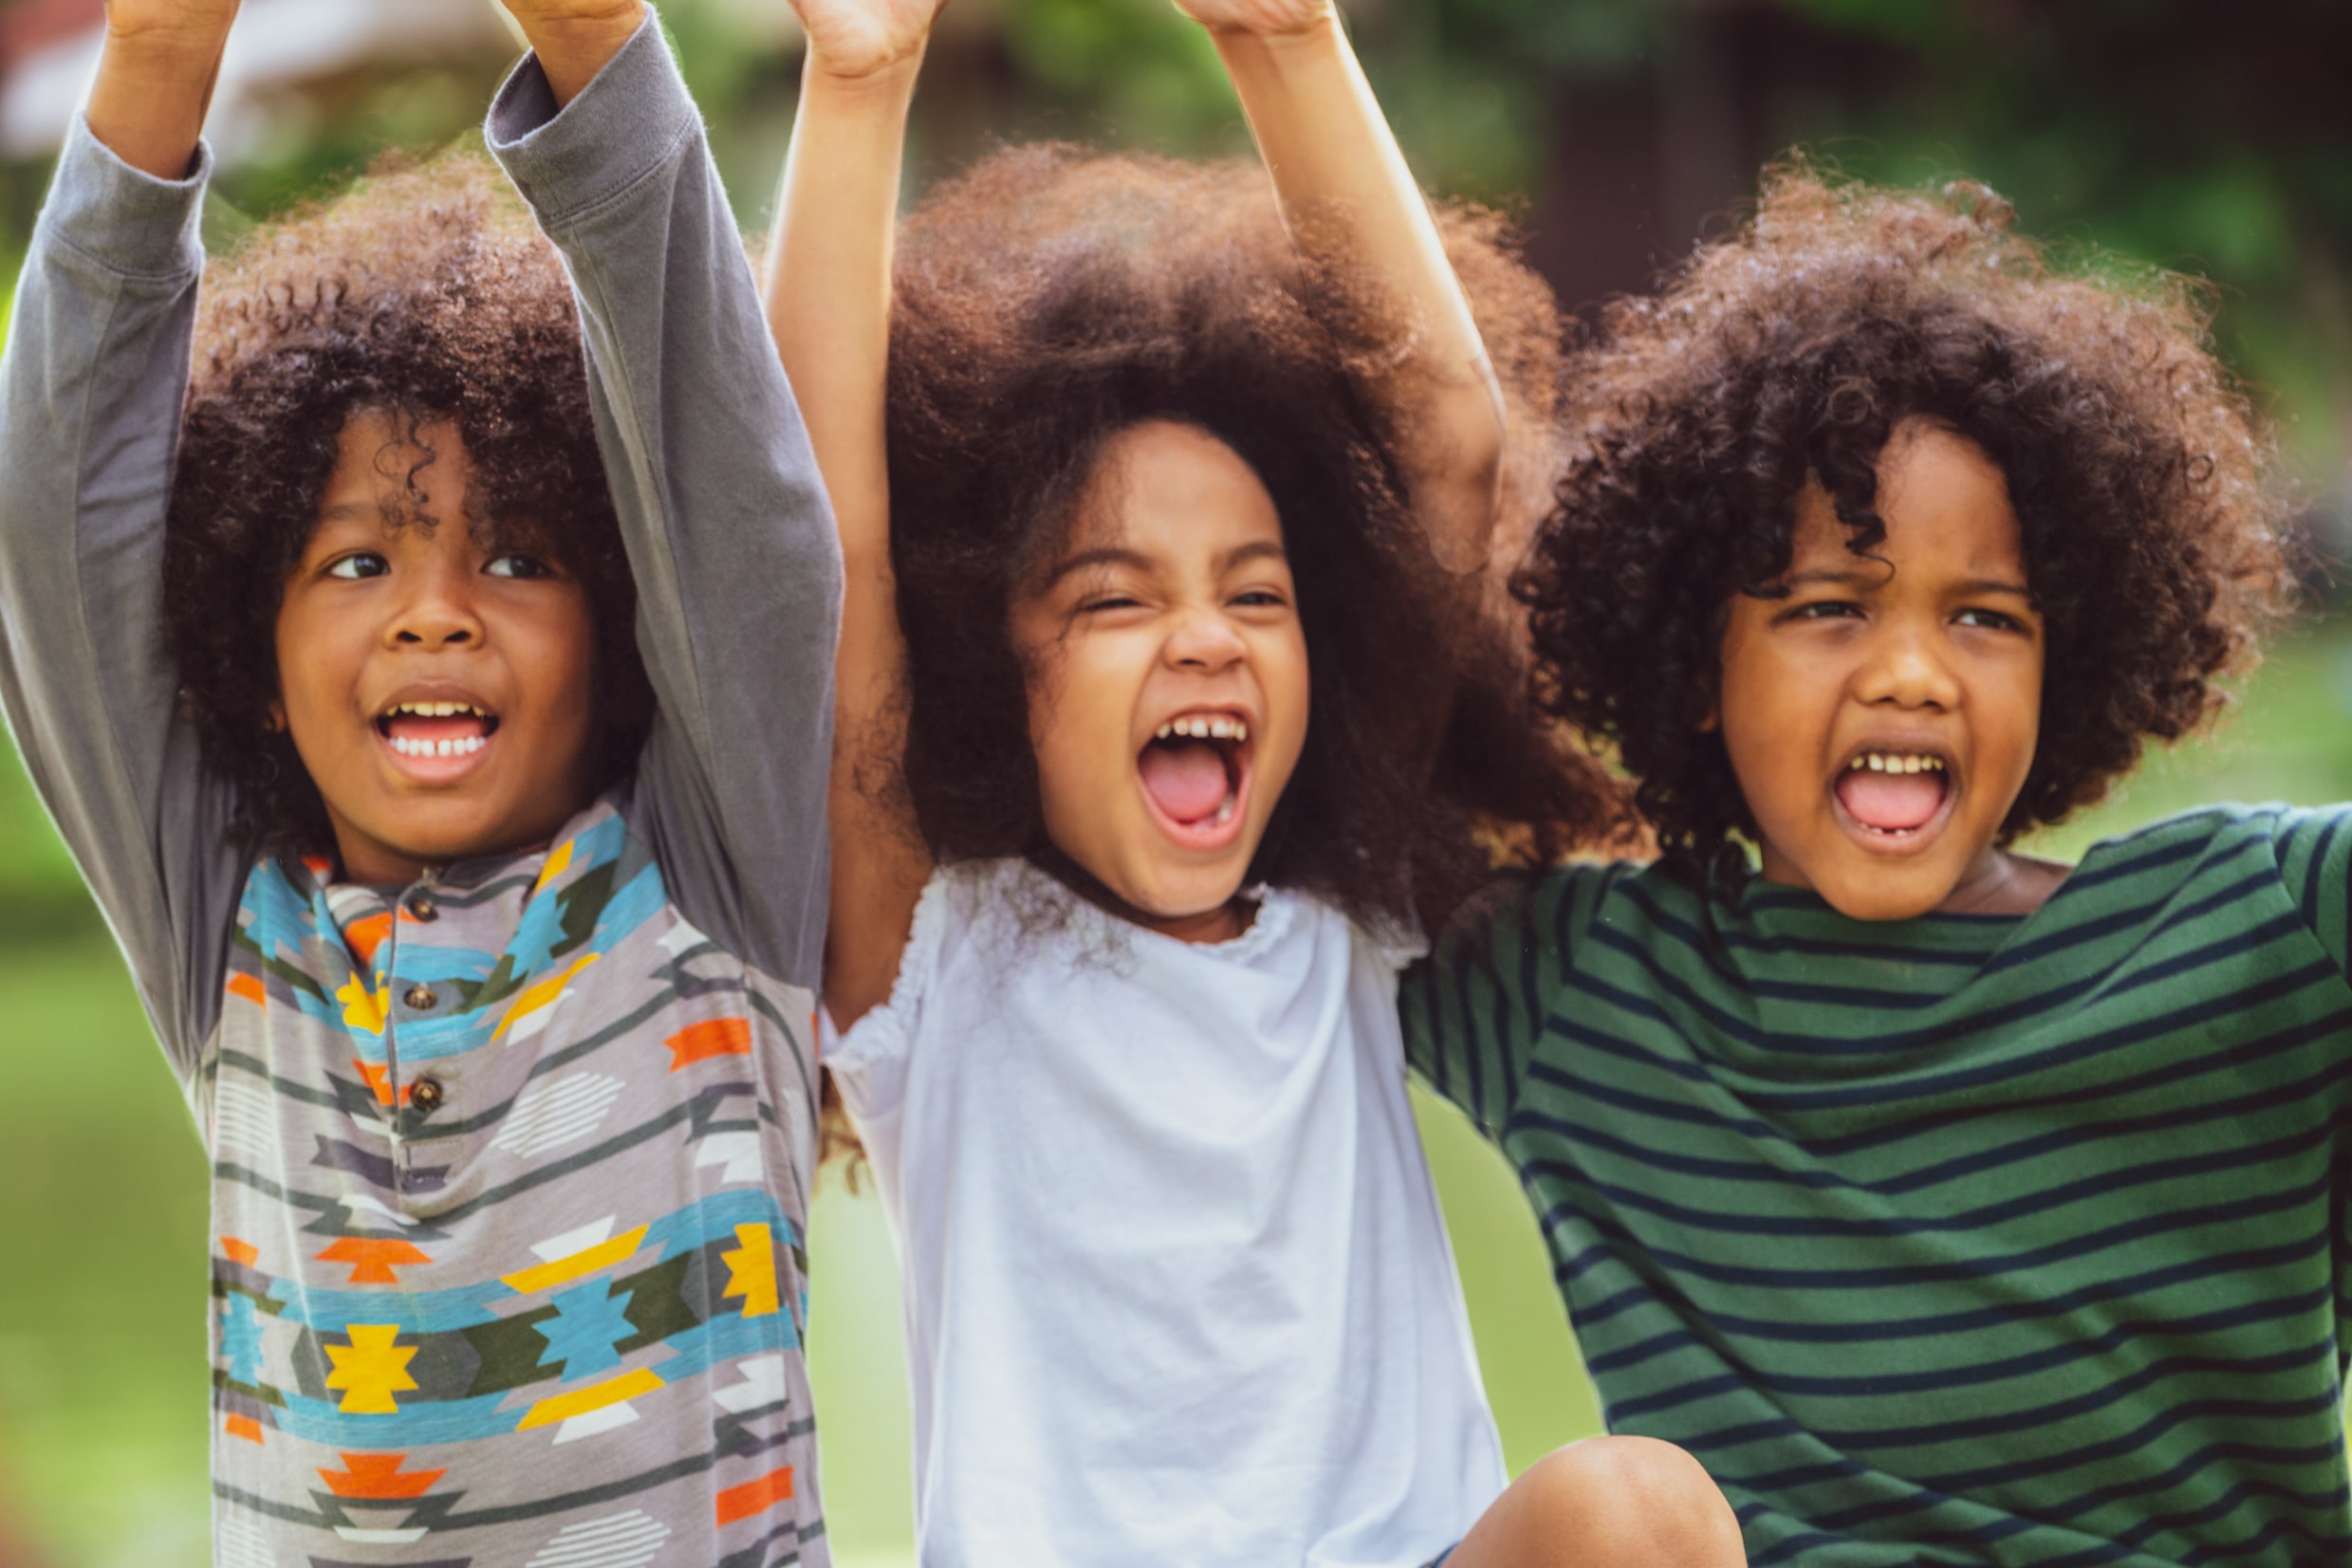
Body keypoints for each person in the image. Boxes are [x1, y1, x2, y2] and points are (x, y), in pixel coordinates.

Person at [764, 0, 1747, 1563]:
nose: (1205, 636)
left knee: (1633, 1506)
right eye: (1115, 597)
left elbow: (1445, 442)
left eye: (1258, 592)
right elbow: (826, 537)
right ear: (986, 671)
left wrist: (1284, 37)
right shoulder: (941, 959)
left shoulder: (1337, 908)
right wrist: (859, 74)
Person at [0, 1, 841, 1561]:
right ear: (253, 652)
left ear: (630, 626)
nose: (435, 609)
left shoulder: (707, 885)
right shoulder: (234, 938)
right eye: (359, 558)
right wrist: (166, 47)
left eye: (518, 555)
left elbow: (748, 520)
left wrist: (594, 37)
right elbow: (54, 534)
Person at [1402, 166, 2336, 1566]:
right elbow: (1419, 507)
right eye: (1829, 606)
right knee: (1610, 1507)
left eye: (1987, 617)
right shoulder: (1583, 988)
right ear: (1699, 664)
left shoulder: (2268, 928)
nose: (1911, 670)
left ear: (2066, 657)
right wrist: (1289, 43)